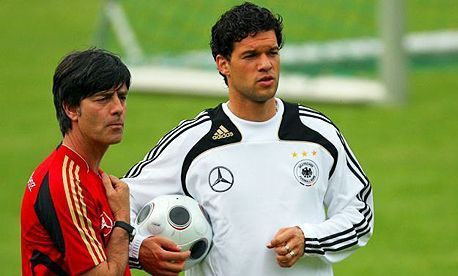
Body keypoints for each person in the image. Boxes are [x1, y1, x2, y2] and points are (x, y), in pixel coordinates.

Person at [124, 2, 374, 275]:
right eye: (251, 55)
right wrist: (139, 250)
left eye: (272, 52)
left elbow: (359, 214)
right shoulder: (194, 141)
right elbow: (119, 202)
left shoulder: (316, 133)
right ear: (223, 64)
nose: (265, 64)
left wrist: (309, 238)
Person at [20, 48, 135, 275]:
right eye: (103, 99)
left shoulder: (88, 173)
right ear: (71, 108)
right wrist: (122, 220)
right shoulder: (67, 184)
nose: (118, 109)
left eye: (121, 97)